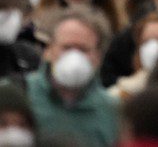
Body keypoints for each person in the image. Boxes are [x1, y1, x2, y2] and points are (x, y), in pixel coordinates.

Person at [26, 8, 119, 147]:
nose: (74, 56)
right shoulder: (21, 94)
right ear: (49, 50)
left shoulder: (112, 110)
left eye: (83, 49)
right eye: (66, 48)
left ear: (99, 56)